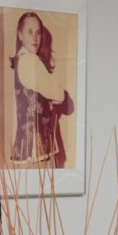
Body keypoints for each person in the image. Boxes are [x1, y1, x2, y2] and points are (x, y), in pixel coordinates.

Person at [10, 11, 74, 168]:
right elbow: (59, 95)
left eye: (38, 32)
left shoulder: (20, 60)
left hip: (26, 151)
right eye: (29, 32)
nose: (34, 37)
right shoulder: (30, 61)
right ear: (20, 35)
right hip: (36, 154)